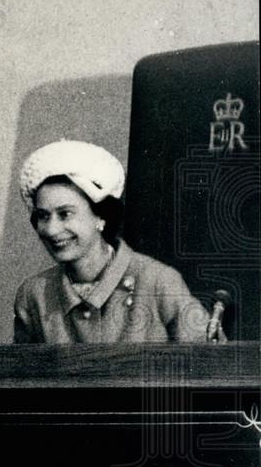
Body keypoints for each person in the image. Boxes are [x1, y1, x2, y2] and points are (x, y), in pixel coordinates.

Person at [13, 139, 221, 343]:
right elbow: (18, 375)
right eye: (43, 216)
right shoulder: (34, 295)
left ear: (101, 216)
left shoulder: (158, 282)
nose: (51, 229)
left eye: (65, 214)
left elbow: (211, 365)